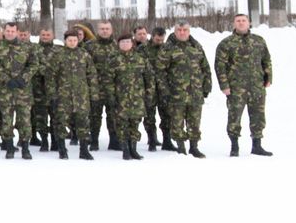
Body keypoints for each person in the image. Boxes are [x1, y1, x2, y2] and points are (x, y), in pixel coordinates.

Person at [214, 12, 274, 156]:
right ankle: (234, 146)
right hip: (236, 88)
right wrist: (224, 86)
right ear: (234, 24)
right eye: (238, 21)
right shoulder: (226, 43)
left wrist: (268, 78)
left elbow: (266, 60)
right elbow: (219, 66)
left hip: (257, 86)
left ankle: (257, 145)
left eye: (243, 20)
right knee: (234, 117)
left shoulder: (259, 41)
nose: (241, 23)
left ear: (249, 23)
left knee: (258, 116)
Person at [160, 21, 211, 157]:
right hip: (176, 93)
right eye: (179, 30)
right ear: (175, 31)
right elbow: (160, 72)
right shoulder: (168, 48)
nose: (182, 32)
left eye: (185, 30)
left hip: (195, 92)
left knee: (194, 121)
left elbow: (205, 67)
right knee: (177, 122)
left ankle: (194, 147)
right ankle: (181, 147)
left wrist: (206, 86)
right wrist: (165, 91)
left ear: (189, 31)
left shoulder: (196, 46)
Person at [0, 22, 37, 160]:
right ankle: (9, 147)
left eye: (13, 31)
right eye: (8, 31)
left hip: (23, 91)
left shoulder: (27, 47)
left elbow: (34, 64)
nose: (10, 33)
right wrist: (6, 79)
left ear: (17, 32)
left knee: (25, 121)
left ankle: (25, 148)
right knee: (6, 120)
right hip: (5, 91)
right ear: (4, 32)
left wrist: (25, 78)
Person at [52, 30, 97, 160]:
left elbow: (92, 75)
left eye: (75, 40)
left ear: (78, 41)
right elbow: (51, 77)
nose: (72, 42)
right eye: (70, 40)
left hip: (81, 96)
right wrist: (53, 95)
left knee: (83, 122)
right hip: (63, 96)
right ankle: (62, 149)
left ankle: (84, 150)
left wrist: (94, 95)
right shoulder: (58, 55)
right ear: (65, 41)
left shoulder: (84, 55)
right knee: (61, 122)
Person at [111, 34, 148, 160]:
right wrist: (111, 96)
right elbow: (107, 80)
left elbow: (148, 77)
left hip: (137, 98)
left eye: (128, 42)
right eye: (123, 42)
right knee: (122, 125)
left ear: (132, 43)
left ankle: (134, 148)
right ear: (118, 44)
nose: (125, 44)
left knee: (135, 123)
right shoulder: (113, 60)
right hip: (121, 99)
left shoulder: (140, 59)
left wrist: (149, 94)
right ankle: (125, 149)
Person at [86, 20, 121, 150]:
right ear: (98, 30)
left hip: (113, 87)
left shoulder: (117, 45)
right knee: (94, 116)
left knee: (113, 115)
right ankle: (94, 140)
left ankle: (114, 140)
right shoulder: (89, 46)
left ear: (111, 30)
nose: (105, 31)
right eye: (102, 29)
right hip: (96, 87)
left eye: (107, 28)